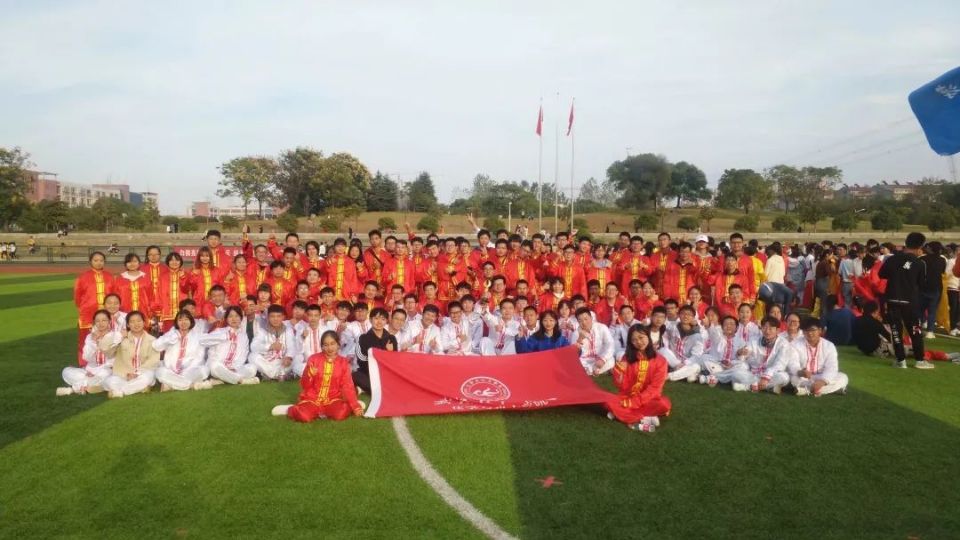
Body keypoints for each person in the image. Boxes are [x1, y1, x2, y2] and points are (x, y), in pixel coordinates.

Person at [274, 330, 365, 422]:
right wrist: (309, 374)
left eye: (332, 344)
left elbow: (347, 386)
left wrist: (355, 406)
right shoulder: (314, 359)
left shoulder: (343, 363)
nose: (330, 348)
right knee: (304, 416)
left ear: (338, 344)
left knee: (340, 414)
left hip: (333, 399)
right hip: (312, 398)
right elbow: (304, 385)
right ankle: (290, 409)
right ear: (322, 347)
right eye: (326, 345)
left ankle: (348, 405)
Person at [879, 232, 933, 369]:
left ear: (906, 243)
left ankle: (900, 360)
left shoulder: (891, 259)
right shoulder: (920, 263)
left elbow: (882, 274)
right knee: (915, 330)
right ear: (920, 246)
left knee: (895, 330)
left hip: (892, 299)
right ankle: (919, 360)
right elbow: (922, 284)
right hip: (910, 301)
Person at [605, 326, 671, 432]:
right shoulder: (627, 358)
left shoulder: (661, 361)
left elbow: (655, 389)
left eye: (641, 337)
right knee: (609, 402)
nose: (639, 342)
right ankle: (644, 418)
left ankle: (625, 415)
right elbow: (622, 387)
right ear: (631, 343)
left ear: (648, 336)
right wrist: (618, 373)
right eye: (634, 340)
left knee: (663, 404)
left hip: (649, 399)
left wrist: (634, 403)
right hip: (628, 396)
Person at [100, 311, 161, 398]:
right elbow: (105, 349)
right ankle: (138, 388)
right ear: (128, 325)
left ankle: (119, 392)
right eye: (132, 322)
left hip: (142, 373)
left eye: (139, 321)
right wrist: (119, 336)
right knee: (109, 381)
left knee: (147, 377)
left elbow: (153, 360)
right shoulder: (121, 338)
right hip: (123, 375)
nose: (136, 324)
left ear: (144, 322)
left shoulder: (152, 340)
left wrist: (137, 373)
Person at [58, 310, 116, 396]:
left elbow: (112, 359)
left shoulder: (115, 336)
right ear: (94, 323)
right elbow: (86, 357)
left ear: (109, 321)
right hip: (90, 370)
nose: (101, 323)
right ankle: (91, 385)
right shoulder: (90, 337)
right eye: (98, 321)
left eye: (104, 320)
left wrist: (96, 371)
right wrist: (93, 342)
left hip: (106, 369)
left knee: (106, 375)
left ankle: (74, 388)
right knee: (66, 371)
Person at [730, 316, 795, 393]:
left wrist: (766, 377)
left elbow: (780, 364)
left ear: (777, 330)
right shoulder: (754, 339)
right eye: (764, 327)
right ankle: (768, 387)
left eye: (770, 328)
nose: (767, 331)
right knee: (736, 373)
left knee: (784, 377)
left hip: (771, 375)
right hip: (753, 374)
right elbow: (746, 352)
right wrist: (741, 353)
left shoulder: (784, 344)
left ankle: (748, 386)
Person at [153, 310, 211, 391]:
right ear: (176, 322)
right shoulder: (172, 334)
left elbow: (199, 357)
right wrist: (172, 338)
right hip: (171, 370)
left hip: (190, 370)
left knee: (204, 370)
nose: (183, 322)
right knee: (159, 371)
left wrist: (186, 370)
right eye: (180, 320)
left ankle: (171, 385)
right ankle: (193, 385)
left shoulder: (198, 336)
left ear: (191, 321)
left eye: (186, 319)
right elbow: (156, 345)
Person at [74, 251, 114, 365]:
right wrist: (85, 307)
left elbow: (114, 295)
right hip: (88, 314)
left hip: (107, 314)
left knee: (107, 340)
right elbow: (77, 297)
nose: (99, 263)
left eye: (101, 260)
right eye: (96, 260)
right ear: (90, 261)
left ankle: (106, 363)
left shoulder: (109, 276)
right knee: (86, 341)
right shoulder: (83, 277)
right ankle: (84, 364)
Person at [790, 317, 848, 396]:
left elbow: (832, 367)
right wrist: (800, 372)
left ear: (820, 330)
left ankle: (806, 390)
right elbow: (793, 364)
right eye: (806, 330)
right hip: (804, 377)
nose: (809, 333)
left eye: (812, 330)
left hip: (821, 376)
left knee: (843, 377)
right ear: (803, 332)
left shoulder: (829, 346)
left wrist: (823, 381)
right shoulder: (795, 344)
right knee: (793, 379)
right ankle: (832, 389)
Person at [201, 306, 259, 385]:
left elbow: (243, 356)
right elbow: (203, 341)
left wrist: (233, 368)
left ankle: (223, 379)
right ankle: (241, 380)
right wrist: (224, 337)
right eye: (230, 316)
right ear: (226, 319)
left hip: (234, 368)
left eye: (236, 316)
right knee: (214, 366)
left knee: (252, 367)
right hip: (219, 366)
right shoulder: (219, 331)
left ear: (241, 318)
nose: (234, 319)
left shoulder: (243, 336)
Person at [355, 307, 398, 393]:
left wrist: (390, 352)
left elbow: (395, 361)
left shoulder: (391, 338)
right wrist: (378, 361)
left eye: (383, 319)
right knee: (355, 375)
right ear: (370, 320)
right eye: (376, 318)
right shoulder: (363, 337)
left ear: (386, 321)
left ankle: (373, 389)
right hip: (369, 372)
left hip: (386, 373)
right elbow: (361, 359)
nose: (379, 322)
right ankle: (380, 390)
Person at [250, 304, 298, 381]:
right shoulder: (262, 330)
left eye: (278, 316)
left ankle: (269, 375)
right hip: (267, 362)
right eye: (272, 316)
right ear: (268, 317)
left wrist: (288, 357)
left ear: (283, 317)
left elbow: (292, 346)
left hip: (282, 361)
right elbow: (253, 346)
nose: (275, 319)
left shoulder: (288, 330)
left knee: (297, 357)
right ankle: (279, 375)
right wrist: (270, 346)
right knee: (252, 356)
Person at [574, 307, 616, 376]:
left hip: (600, 357)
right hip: (586, 360)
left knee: (611, 360)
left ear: (591, 318)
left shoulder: (602, 327)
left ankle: (589, 371)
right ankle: (595, 370)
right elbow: (575, 353)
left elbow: (610, 344)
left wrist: (603, 359)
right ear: (577, 322)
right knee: (575, 364)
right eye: (580, 320)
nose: (584, 322)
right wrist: (580, 339)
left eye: (586, 319)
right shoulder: (575, 333)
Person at [918, 241, 945, 338]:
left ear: (930, 248)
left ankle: (918, 329)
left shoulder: (922, 259)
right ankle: (930, 331)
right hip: (936, 288)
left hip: (922, 287)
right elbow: (942, 272)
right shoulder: (942, 260)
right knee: (932, 311)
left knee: (919, 310)